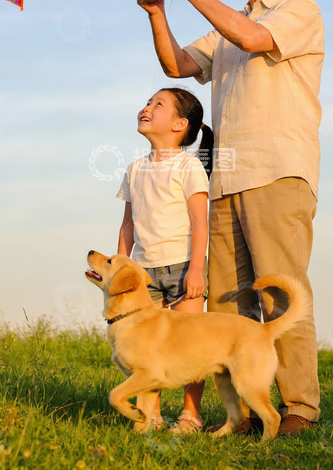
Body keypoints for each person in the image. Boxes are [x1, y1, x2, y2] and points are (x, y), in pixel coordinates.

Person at [135, 0, 324, 436]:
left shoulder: (298, 9)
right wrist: (158, 9)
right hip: (224, 182)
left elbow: (253, 36)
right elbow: (178, 63)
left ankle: (299, 409)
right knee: (223, 305)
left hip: (277, 171)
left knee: (278, 297)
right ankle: (238, 413)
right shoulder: (226, 24)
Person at [116, 87, 213, 434]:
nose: (146, 108)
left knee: (191, 348)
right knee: (146, 349)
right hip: (143, 274)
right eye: (146, 103)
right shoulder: (134, 169)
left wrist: (196, 270)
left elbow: (201, 222)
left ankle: (191, 415)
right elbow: (128, 224)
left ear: (179, 124)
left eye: (157, 104)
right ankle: (151, 415)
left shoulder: (189, 166)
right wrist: (121, 268)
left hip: (183, 267)